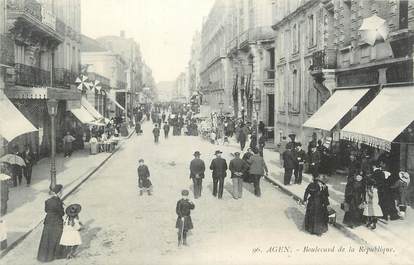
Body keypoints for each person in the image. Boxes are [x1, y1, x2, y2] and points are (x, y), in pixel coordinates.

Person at [37, 184, 64, 262]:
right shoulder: (58, 202)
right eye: (61, 192)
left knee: (47, 238)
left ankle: (43, 256)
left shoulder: (48, 201)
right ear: (58, 193)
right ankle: (55, 255)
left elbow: (46, 210)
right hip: (56, 221)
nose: (62, 193)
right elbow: (61, 213)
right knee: (57, 237)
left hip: (48, 221)